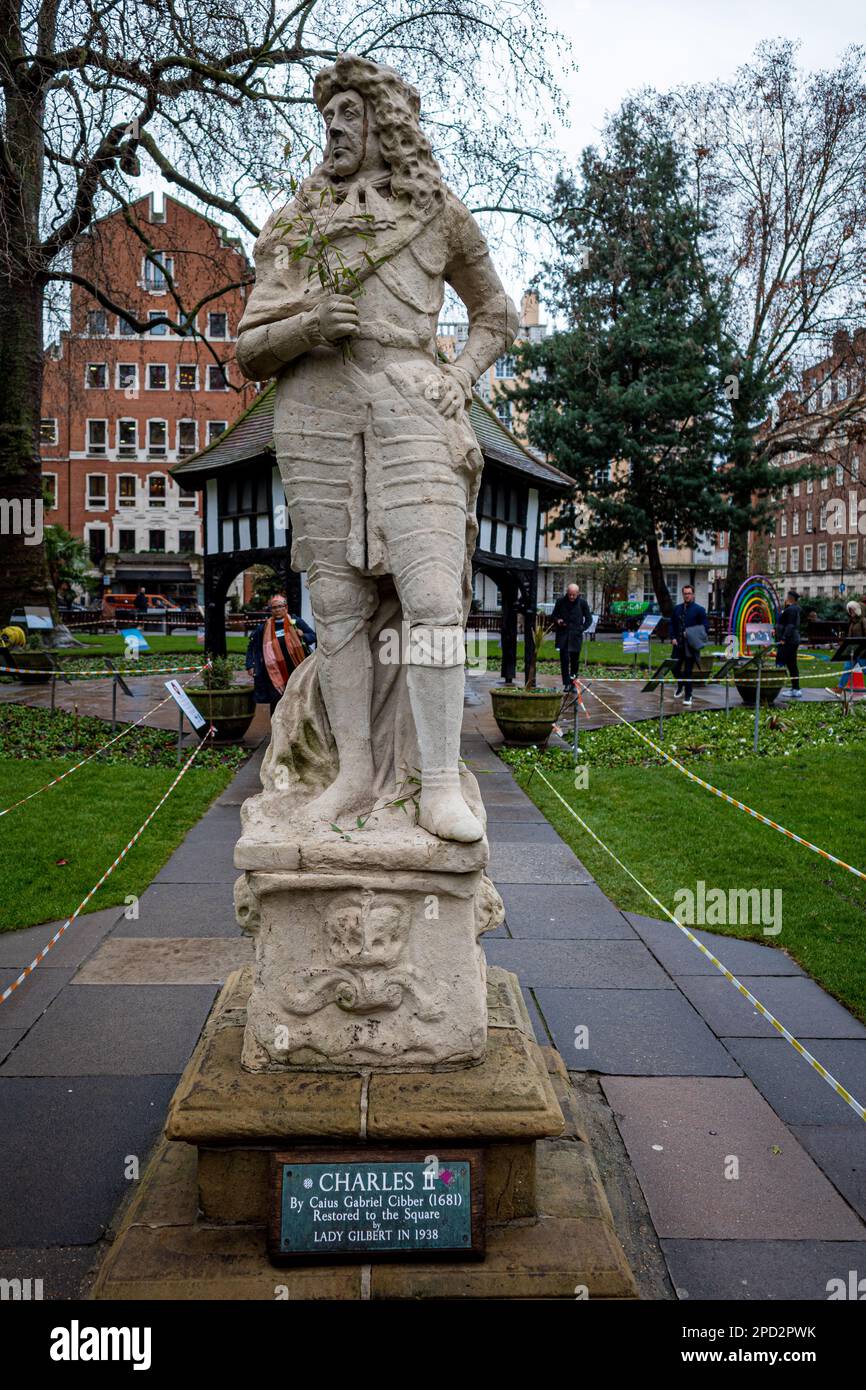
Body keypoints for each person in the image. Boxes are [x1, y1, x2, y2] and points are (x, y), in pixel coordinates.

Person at [235, 55, 517, 841]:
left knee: (432, 598)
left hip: (411, 405)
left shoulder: (438, 214)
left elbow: (497, 313)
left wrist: (460, 375)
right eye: (327, 117)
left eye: (349, 115)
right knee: (340, 607)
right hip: (316, 412)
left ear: (385, 123)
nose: (332, 129)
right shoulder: (295, 222)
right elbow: (251, 349)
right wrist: (308, 327)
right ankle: (354, 773)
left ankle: (435, 786)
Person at [245, 595, 316, 714]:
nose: (277, 610)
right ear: (271, 610)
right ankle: (277, 730)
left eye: (280, 606)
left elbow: (313, 636)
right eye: (274, 607)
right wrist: (250, 664)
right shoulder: (264, 628)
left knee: (298, 699)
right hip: (274, 672)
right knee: (276, 701)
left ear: (285, 607)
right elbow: (252, 646)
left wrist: (303, 635)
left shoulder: (295, 622)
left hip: (296, 669)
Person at [669, 584, 708, 707]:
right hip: (678, 645)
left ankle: (688, 695)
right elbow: (672, 624)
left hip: (690, 646)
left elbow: (705, 628)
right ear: (683, 594)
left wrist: (690, 633)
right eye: (685, 593)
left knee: (688, 671)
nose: (687, 595)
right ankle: (681, 684)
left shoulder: (699, 610)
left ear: (693, 594)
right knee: (674, 668)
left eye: (689, 593)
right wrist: (673, 638)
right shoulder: (677, 609)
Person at [552, 583, 592, 691]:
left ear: (578, 593)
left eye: (574, 595)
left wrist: (581, 628)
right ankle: (566, 684)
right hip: (563, 635)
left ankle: (573, 683)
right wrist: (558, 620)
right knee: (564, 660)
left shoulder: (583, 603)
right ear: (567, 592)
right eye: (570, 594)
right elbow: (554, 615)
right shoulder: (560, 601)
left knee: (575, 661)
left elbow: (589, 619)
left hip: (575, 636)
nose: (571, 597)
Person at [776, 589, 802, 699]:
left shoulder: (791, 610)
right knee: (791, 663)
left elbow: (790, 625)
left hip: (789, 641)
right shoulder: (792, 609)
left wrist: (784, 638)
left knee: (789, 663)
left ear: (790, 598)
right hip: (791, 640)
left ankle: (795, 688)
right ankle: (795, 688)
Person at [838, 600, 866, 693]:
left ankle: (839, 688)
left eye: (852, 610)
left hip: (862, 651)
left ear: (857, 610)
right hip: (853, 650)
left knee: (865, 670)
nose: (850, 612)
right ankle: (839, 689)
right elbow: (850, 637)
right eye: (849, 610)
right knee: (847, 668)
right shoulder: (853, 622)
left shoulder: (863, 621)